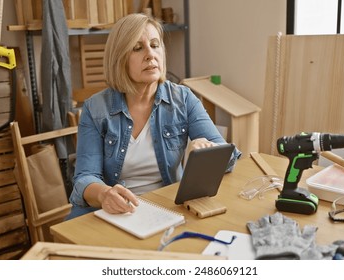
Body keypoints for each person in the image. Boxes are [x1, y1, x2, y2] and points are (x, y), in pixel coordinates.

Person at [67, 13, 241, 219]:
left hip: (166, 207)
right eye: (138, 48)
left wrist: (206, 153)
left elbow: (229, 159)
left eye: (155, 45)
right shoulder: (96, 108)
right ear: (120, 58)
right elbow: (84, 178)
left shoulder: (183, 98)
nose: (151, 55)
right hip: (116, 212)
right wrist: (104, 194)